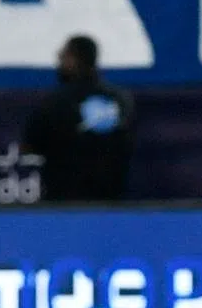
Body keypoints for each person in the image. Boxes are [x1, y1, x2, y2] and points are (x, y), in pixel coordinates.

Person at [21, 35, 136, 202]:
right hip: (112, 203)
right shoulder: (120, 100)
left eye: (62, 57)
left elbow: (29, 148)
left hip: (64, 204)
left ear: (73, 59)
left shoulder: (55, 102)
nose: (59, 63)